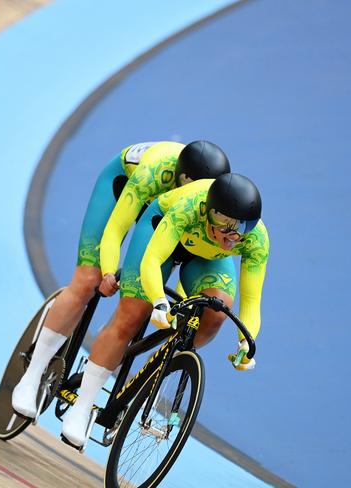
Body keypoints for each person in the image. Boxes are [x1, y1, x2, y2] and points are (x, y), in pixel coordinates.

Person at [11, 140, 231, 423]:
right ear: (181, 179)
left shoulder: (212, 207)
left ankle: (110, 336)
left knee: (140, 311)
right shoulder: (154, 172)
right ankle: (31, 377)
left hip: (172, 217)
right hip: (123, 190)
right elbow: (116, 229)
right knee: (86, 281)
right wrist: (106, 271)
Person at [60, 173, 269, 448]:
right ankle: (83, 404)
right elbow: (153, 259)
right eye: (226, 226)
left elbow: (252, 301)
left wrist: (247, 341)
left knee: (216, 314)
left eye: (241, 229)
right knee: (134, 313)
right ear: (210, 212)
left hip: (206, 258)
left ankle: (152, 372)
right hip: (161, 231)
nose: (233, 236)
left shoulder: (255, 240)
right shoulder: (190, 206)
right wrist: (158, 300)